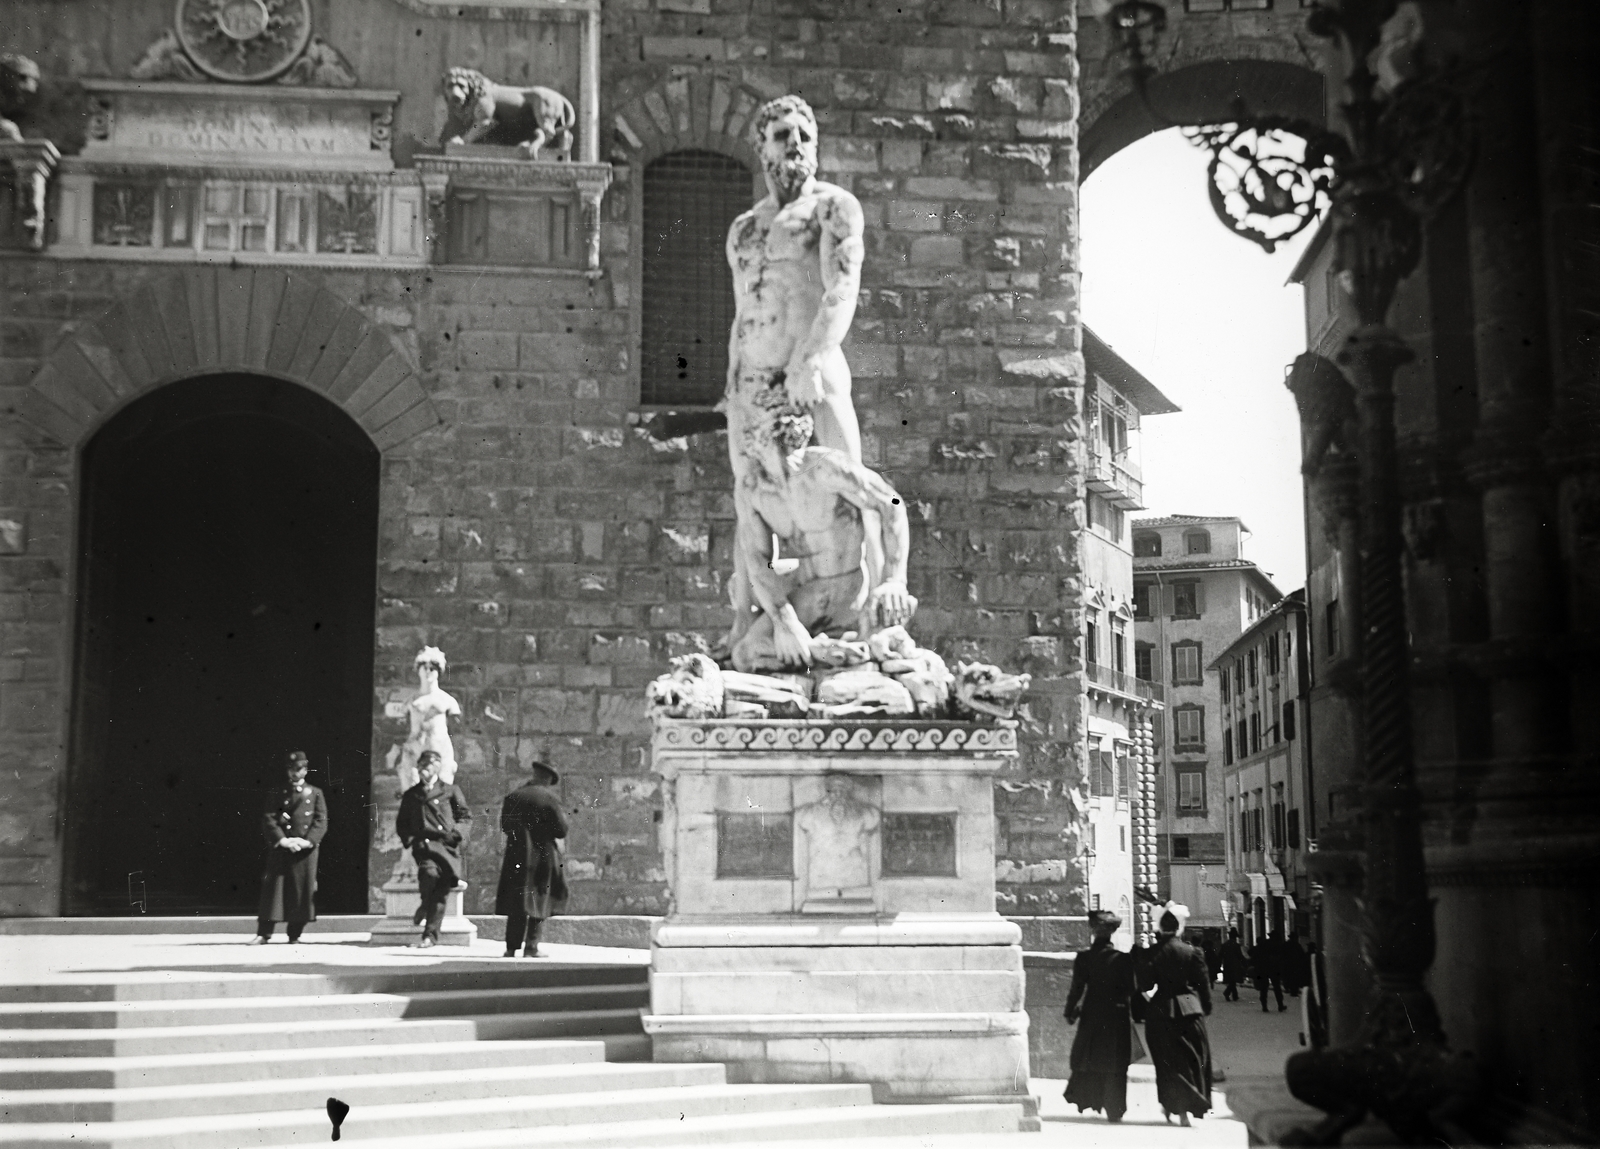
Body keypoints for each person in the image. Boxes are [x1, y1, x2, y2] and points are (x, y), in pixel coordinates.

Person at [722, 94, 868, 654]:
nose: (795, 145)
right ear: (762, 147)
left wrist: (810, 358)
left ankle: (874, 614)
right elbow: (744, 310)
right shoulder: (742, 230)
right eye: (782, 135)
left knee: (848, 486)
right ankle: (744, 620)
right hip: (751, 383)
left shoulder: (834, 207)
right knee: (749, 494)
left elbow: (842, 286)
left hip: (812, 370)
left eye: (803, 134)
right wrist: (733, 383)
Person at [729, 405, 915, 673]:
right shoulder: (753, 489)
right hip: (806, 592)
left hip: (845, 588)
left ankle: (826, 651)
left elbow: (892, 503)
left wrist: (895, 580)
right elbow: (759, 562)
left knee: (752, 653)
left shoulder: (824, 467)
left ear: (767, 434)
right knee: (746, 654)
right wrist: (785, 623)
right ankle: (827, 652)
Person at [1062, 910, 1143, 1123]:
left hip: (1092, 1015)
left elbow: (1076, 989)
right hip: (1117, 1017)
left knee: (1092, 1058)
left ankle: (1093, 1101)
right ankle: (1115, 1109)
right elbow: (1131, 989)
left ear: (1092, 931)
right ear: (1113, 933)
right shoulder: (1124, 959)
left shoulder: (1084, 958)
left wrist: (1070, 1012)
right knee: (1116, 1063)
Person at [1142, 902, 1214, 1126]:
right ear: (1179, 928)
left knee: (1165, 1063)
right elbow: (1203, 985)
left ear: (1160, 928)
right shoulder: (1193, 952)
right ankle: (1188, 1107)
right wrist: (1206, 1008)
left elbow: (1145, 983)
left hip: (1161, 1011)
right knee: (1193, 1059)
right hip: (1190, 1011)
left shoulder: (1152, 952)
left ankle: (1171, 1105)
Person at [396, 749, 471, 949]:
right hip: (425, 846)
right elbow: (402, 823)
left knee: (441, 892)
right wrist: (411, 840)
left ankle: (429, 936)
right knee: (428, 874)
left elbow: (465, 816)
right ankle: (424, 903)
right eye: (420, 767)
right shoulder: (412, 795)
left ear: (436, 768)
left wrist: (457, 835)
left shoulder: (451, 790)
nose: (422, 771)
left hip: (447, 846)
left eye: (426, 767)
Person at [495, 762, 568, 958]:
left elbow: (505, 825)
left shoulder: (513, 797)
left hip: (516, 855)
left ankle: (511, 947)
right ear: (548, 780)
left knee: (517, 901)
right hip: (543, 855)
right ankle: (531, 947)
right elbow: (561, 829)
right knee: (540, 900)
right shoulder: (550, 799)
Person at [254, 750, 327, 945]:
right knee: (274, 890)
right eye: (291, 769)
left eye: (299, 769)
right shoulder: (278, 792)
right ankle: (264, 933)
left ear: (305, 770)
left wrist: (308, 841)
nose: (295, 773)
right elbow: (269, 818)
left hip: (304, 851)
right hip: (283, 848)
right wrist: (283, 840)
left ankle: (294, 934)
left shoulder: (315, 793)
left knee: (301, 891)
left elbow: (320, 820)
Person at [396, 646, 462, 791]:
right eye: (423, 667)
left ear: (438, 671)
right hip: (415, 750)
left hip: (439, 750)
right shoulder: (410, 701)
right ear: (418, 670)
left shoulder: (447, 701)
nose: (427, 671)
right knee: (410, 790)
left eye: (432, 668)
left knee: (442, 792)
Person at [1255, 928, 1288, 1012]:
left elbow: (1258, 956)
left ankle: (1264, 1006)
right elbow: (1281, 957)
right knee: (1276, 987)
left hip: (1264, 968)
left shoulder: (1264, 944)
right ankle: (1280, 1005)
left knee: (1264, 988)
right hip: (1273, 969)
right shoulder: (1278, 945)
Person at [1219, 928, 1248, 1002]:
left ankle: (1235, 995)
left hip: (1227, 965)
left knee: (1232, 980)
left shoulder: (1224, 945)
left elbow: (1220, 955)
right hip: (1235, 965)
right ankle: (1227, 993)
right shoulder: (1236, 945)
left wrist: (1219, 965)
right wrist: (1245, 963)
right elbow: (1240, 956)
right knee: (1233, 980)